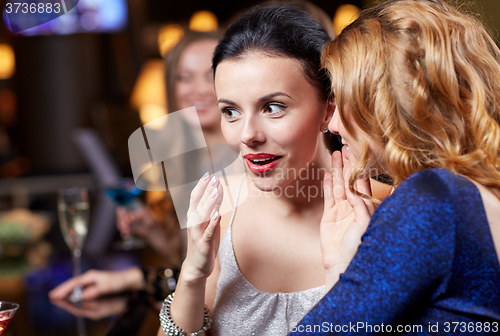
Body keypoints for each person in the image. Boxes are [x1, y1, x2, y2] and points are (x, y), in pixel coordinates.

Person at [157, 6, 391, 336]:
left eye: (273, 107)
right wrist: (193, 271)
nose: (247, 134)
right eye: (231, 111)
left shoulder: (388, 213)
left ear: (328, 109)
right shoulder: (221, 206)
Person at [290, 0, 500, 334]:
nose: (332, 124)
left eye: (341, 98)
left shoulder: (432, 200)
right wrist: (341, 269)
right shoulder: (468, 193)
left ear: (382, 103)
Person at [49, 29, 224, 302]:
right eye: (184, 77)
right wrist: (154, 232)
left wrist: (130, 278)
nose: (197, 89)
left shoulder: (251, 163)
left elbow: (226, 280)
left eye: (210, 76)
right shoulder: (190, 160)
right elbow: (194, 261)